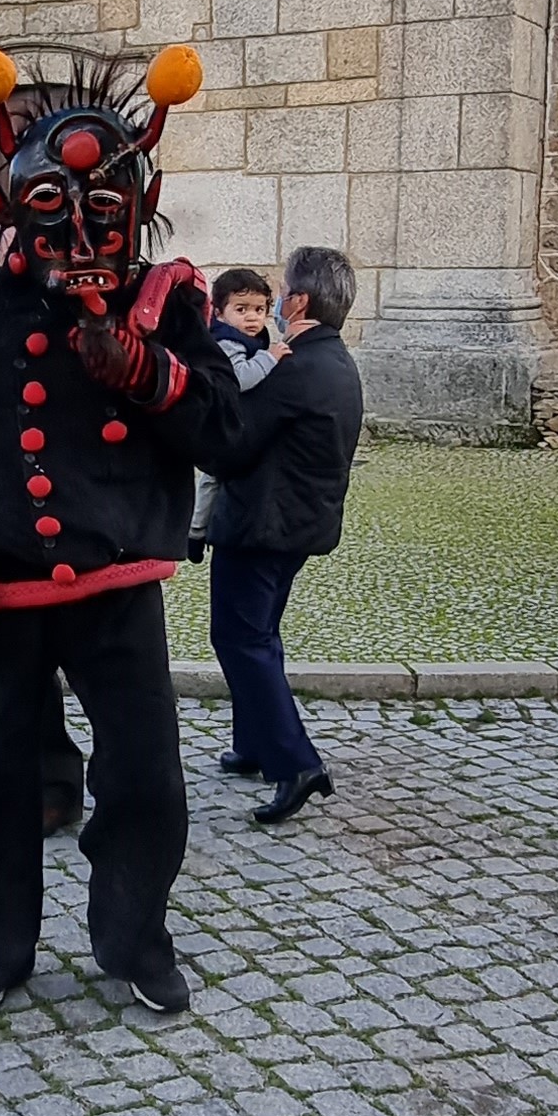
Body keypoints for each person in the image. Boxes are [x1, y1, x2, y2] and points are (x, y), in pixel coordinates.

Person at [0, 44, 240, 1018]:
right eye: (54, 203)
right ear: (14, 205)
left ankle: (134, 939)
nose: (81, 226)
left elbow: (221, 428)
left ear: (138, 203)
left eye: (102, 205)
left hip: (116, 588)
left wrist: (141, 370)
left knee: (144, 782)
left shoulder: (168, 304)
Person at [207, 245, 364, 826]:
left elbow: (232, 439)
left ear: (297, 301)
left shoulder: (292, 364)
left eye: (275, 297)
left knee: (240, 638)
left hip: (262, 526)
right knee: (260, 634)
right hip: (298, 524)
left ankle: (294, 763)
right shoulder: (337, 360)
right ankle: (251, 743)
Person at [189, 268, 284, 559]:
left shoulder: (248, 338)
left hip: (231, 419)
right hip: (216, 420)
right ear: (219, 313)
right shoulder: (227, 342)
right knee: (212, 476)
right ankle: (195, 531)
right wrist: (270, 359)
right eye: (241, 309)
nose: (252, 317)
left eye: (259, 309)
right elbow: (239, 377)